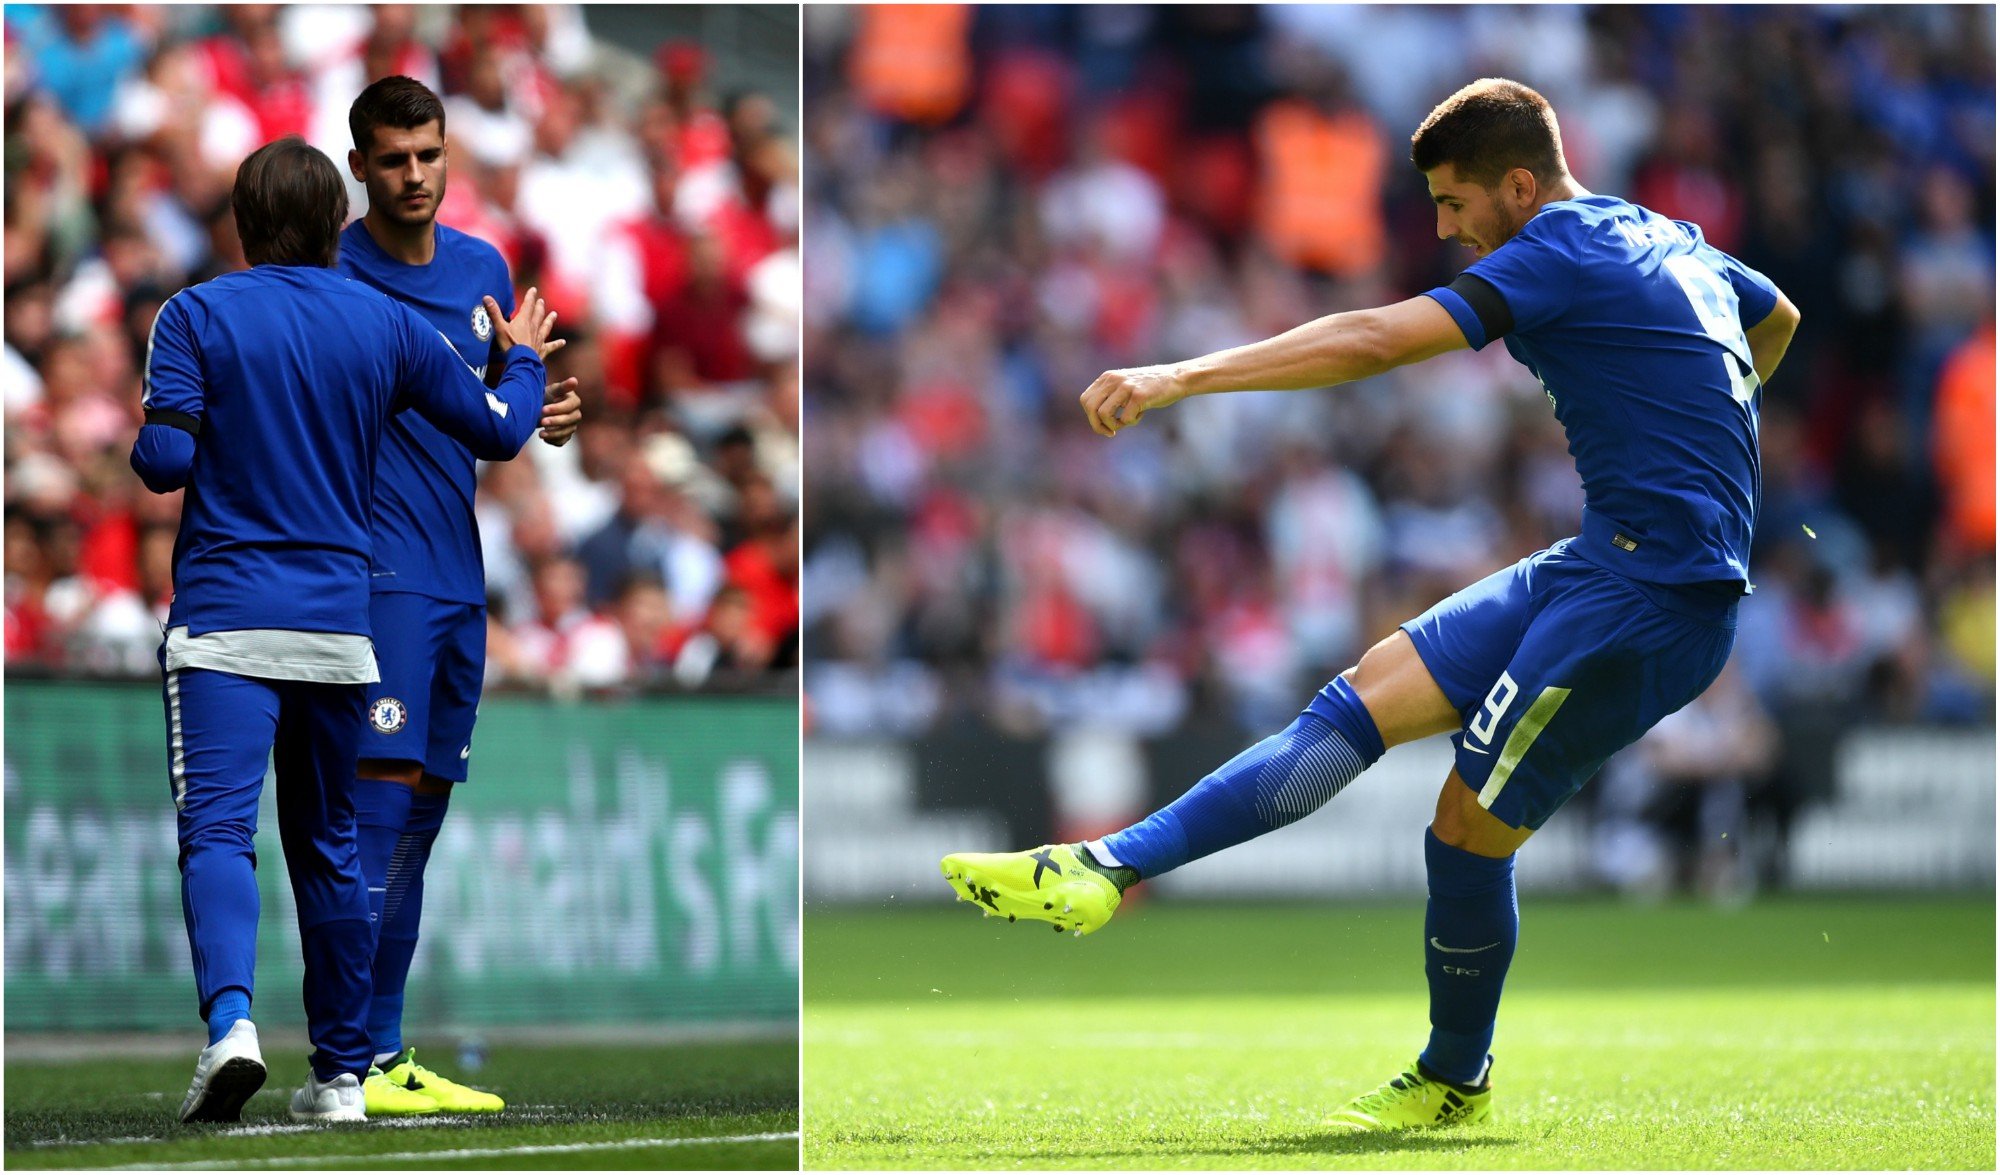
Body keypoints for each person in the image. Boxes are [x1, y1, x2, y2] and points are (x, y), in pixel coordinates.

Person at [942, 78, 1799, 1131]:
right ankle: (1100, 865)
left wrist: (1177, 375)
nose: (1444, 227)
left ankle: (1452, 1076)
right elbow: (1774, 318)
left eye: (1452, 203)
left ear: (1519, 185)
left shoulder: (1555, 253)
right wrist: (1703, 433)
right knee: (1356, 699)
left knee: (1464, 831)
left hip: (1651, 597)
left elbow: (1371, 340)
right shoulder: (1660, 236)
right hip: (1597, 558)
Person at [134, 134, 563, 1124]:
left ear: (241, 224)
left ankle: (233, 1025)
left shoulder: (195, 313)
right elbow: (501, 427)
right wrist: (530, 359)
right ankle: (339, 1076)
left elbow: (163, 460)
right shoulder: (384, 323)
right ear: (339, 221)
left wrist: (167, 423)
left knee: (218, 830)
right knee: (329, 843)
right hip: (341, 625)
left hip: (228, 617)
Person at [334, 74, 582, 1117]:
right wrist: (513, 395)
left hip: (456, 576)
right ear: (359, 169)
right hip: (376, 573)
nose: (414, 175)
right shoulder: (329, 271)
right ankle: (350, 1055)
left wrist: (540, 404)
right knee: (378, 813)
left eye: (428, 154)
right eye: (393, 159)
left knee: (420, 819)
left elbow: (500, 406)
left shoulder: (480, 267)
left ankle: (384, 1050)